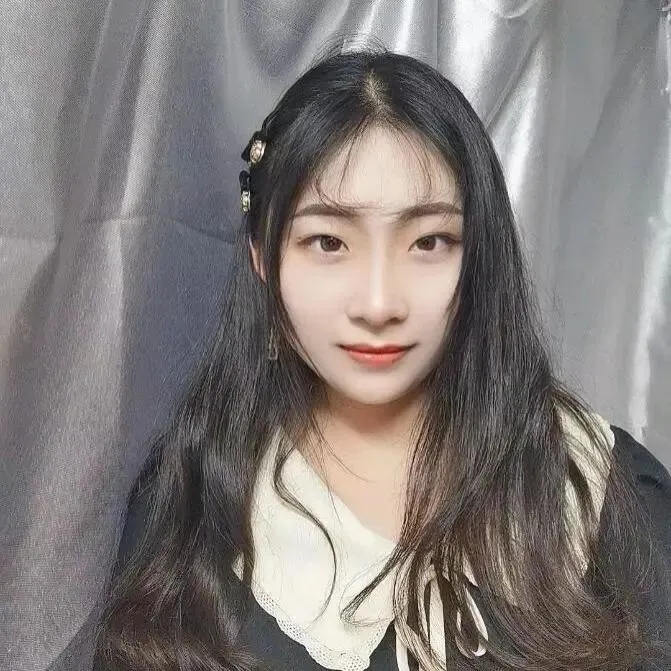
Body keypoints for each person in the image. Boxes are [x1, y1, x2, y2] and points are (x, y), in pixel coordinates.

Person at [92, 45, 671, 671]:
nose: (378, 303)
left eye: (429, 241)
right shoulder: (191, 502)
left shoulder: (596, 484)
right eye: (328, 241)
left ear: (479, 255)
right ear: (262, 256)